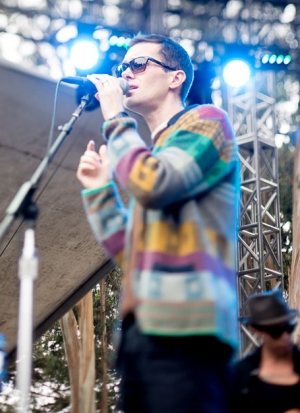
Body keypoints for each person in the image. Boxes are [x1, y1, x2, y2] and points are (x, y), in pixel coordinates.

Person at [76, 33, 240, 412]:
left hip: (188, 331)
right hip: (143, 334)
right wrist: (99, 191)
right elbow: (132, 255)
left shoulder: (207, 121)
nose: (126, 74)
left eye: (138, 64)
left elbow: (151, 184)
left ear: (175, 77)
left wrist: (115, 118)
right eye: (122, 68)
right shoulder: (154, 154)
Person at [230, 289, 300, 413]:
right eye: (276, 331)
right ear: (256, 330)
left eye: (289, 328)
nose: (285, 337)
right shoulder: (241, 377)